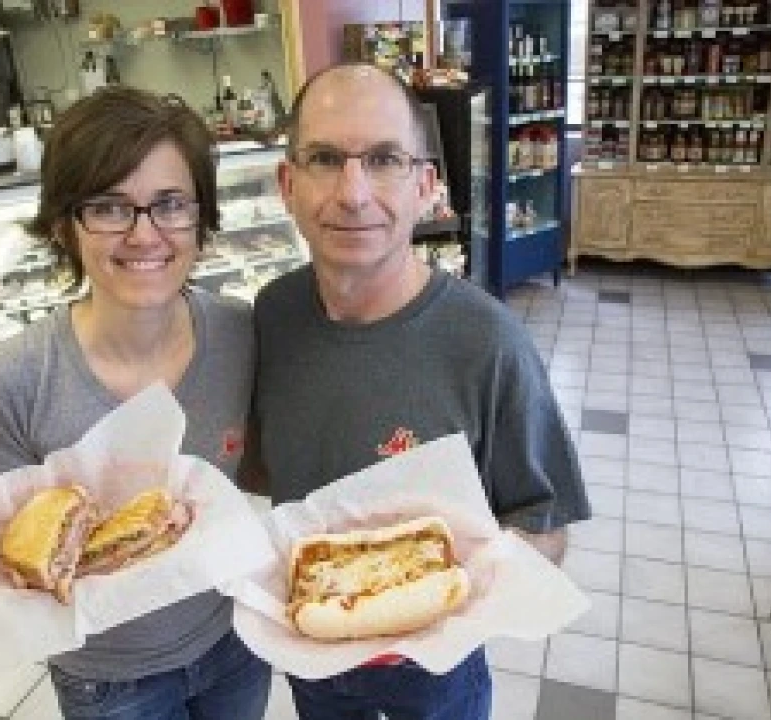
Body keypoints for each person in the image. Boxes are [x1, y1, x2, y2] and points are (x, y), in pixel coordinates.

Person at [242, 63, 590, 719]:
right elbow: (266, 468)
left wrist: (451, 588)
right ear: (287, 185)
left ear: (426, 186)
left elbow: (546, 526)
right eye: (324, 159)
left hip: (438, 670)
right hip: (312, 649)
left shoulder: (489, 343)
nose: (353, 194)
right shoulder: (272, 314)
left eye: (383, 160)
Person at [0, 86, 271, 720]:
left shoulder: (243, 336)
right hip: (109, 682)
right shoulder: (10, 383)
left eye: (170, 204)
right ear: (64, 226)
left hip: (234, 639)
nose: (144, 234)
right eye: (108, 207)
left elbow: (258, 470)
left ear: (200, 218)